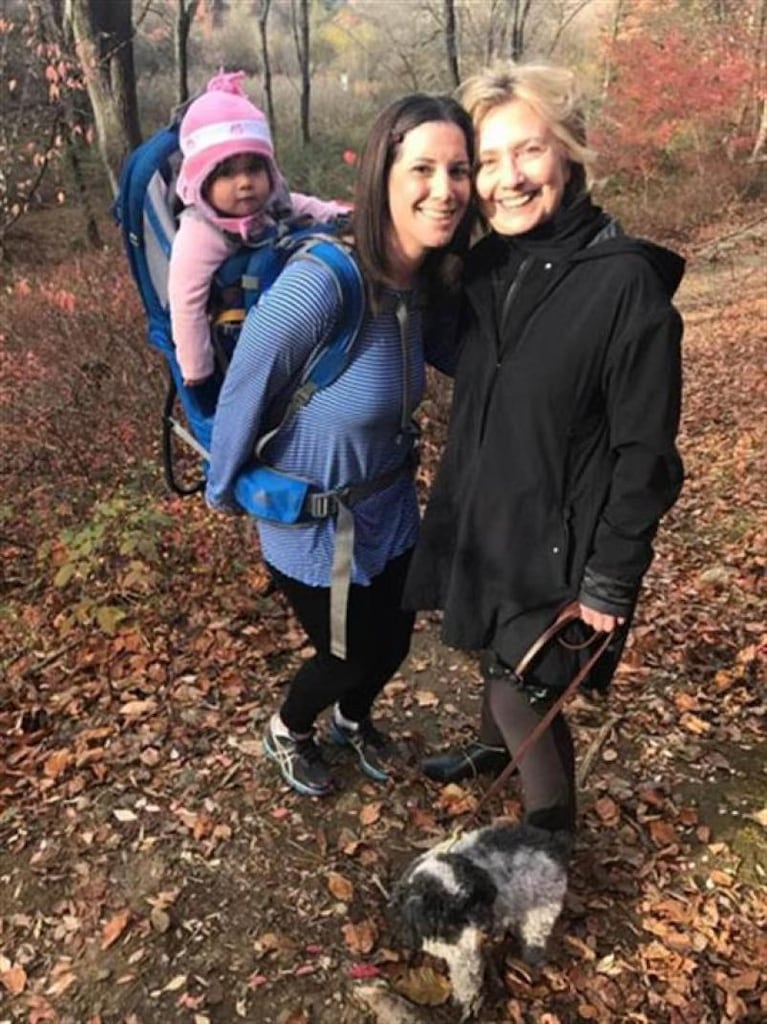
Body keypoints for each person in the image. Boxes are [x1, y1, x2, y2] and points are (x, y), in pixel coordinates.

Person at [405, 61, 684, 837]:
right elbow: (463, 353)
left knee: (521, 688)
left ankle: (547, 845)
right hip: (491, 515)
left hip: (562, 546)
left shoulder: (624, 287)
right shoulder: (492, 265)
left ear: (570, 152)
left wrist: (609, 580)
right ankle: (491, 754)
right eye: (487, 161)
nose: (507, 180)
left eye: (527, 152)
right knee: (496, 663)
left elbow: (645, 454)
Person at [205, 93, 474, 797]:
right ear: (383, 173)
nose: (442, 190)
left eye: (459, 169)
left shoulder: (421, 285)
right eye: (422, 168)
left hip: (387, 506)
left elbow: (475, 358)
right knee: (345, 652)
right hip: (315, 523)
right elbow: (245, 385)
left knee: (394, 640)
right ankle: (287, 729)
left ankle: (351, 725)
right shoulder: (324, 281)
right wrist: (225, 485)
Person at [168, 70, 350, 386]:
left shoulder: (273, 203)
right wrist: (198, 369)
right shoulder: (199, 233)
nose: (245, 184)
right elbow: (185, 302)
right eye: (226, 173)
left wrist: (344, 216)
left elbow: (311, 207)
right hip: (236, 348)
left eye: (254, 169)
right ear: (202, 181)